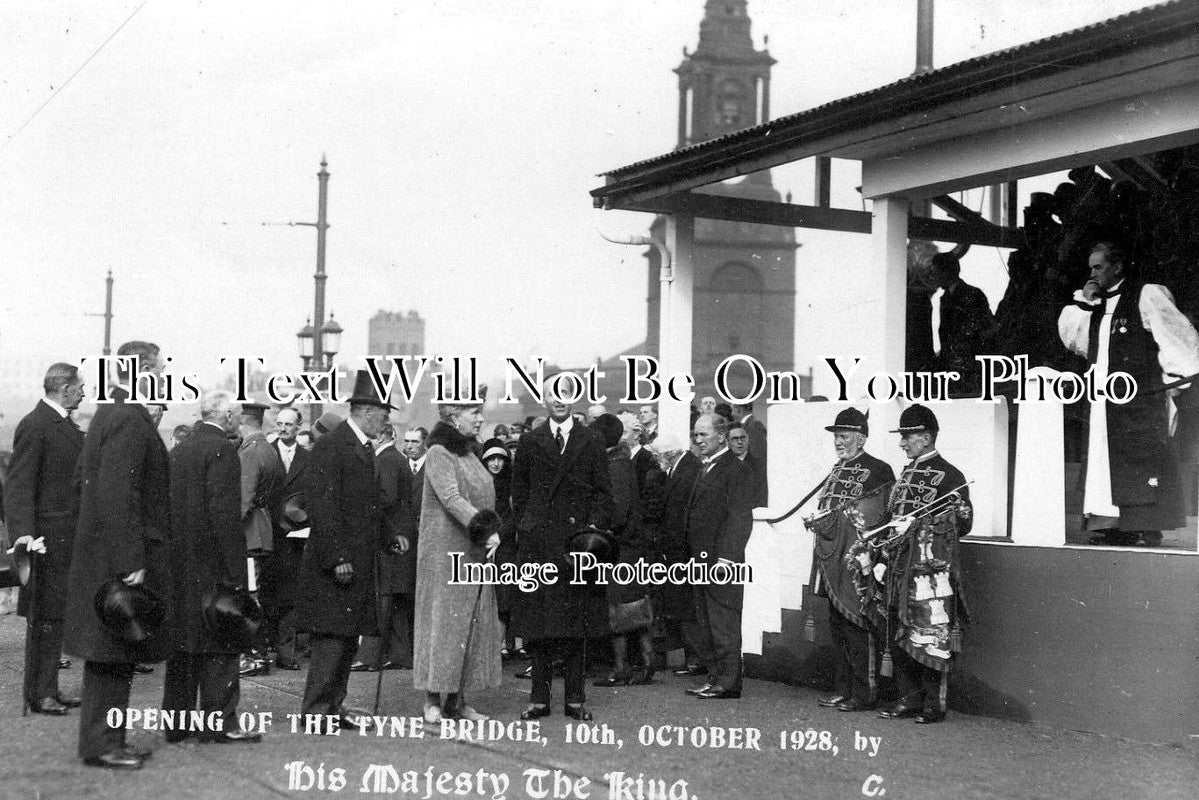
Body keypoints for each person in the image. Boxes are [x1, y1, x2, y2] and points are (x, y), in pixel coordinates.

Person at [63, 340, 172, 769]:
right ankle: (103, 745)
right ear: (140, 370)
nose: (164, 376)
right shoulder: (129, 419)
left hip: (101, 554)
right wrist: (131, 559)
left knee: (113, 652)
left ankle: (106, 740)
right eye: (159, 369)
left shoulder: (110, 414)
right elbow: (117, 494)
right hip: (118, 560)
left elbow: (81, 484)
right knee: (113, 651)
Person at [1057, 240, 1199, 546]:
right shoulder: (1095, 303)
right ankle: (1109, 524)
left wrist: (1174, 381)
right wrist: (1085, 302)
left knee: (1141, 461)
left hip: (1140, 397)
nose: (1092, 273)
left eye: (1099, 266)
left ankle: (1146, 526)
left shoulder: (1146, 294)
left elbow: (1176, 334)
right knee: (1102, 461)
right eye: (1090, 267)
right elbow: (1075, 341)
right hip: (1102, 399)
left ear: (1117, 266)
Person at [508, 380, 613, 721]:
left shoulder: (592, 440)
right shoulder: (530, 440)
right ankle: (539, 699)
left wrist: (591, 531)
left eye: (567, 395)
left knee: (575, 626)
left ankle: (575, 700)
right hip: (540, 544)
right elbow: (519, 492)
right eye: (554, 395)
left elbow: (602, 492)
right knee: (539, 626)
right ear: (545, 398)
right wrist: (529, 527)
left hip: (577, 546)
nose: (560, 401)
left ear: (574, 399)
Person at [295, 371, 392, 734]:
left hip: (355, 561)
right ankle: (316, 710)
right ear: (365, 410)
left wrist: (387, 537)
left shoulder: (360, 445)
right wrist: (338, 557)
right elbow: (324, 506)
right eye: (384, 411)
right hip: (337, 564)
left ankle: (333, 706)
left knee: (347, 636)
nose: (387, 418)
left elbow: (367, 506)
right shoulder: (332, 445)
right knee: (332, 637)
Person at [163, 390, 261, 744]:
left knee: (183, 644)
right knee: (221, 640)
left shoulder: (181, 448)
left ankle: (176, 723)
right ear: (228, 416)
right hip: (213, 565)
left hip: (180, 565)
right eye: (235, 414)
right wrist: (237, 573)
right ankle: (221, 723)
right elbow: (224, 515)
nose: (237, 419)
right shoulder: (222, 450)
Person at [876, 404, 971, 725]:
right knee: (900, 628)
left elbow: (962, 523)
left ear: (927, 437)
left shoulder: (951, 476)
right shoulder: (904, 476)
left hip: (930, 571)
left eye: (907, 437)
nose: (902, 443)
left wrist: (921, 525)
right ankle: (907, 698)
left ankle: (934, 702)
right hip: (899, 565)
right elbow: (891, 517)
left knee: (930, 633)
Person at [413, 390, 503, 723]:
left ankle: (458, 700)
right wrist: (485, 528)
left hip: (473, 552)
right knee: (443, 625)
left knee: (470, 625)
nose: (480, 418)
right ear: (454, 415)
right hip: (444, 554)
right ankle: (433, 699)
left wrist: (487, 533)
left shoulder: (469, 453)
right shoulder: (439, 452)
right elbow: (451, 498)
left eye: (481, 411)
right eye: (474, 412)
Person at [7, 363, 85, 716]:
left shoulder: (63, 424)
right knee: (45, 619)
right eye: (80, 387)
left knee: (56, 618)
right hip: (45, 541)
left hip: (65, 540)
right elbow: (19, 487)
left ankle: (48, 687)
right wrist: (23, 536)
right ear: (65, 388)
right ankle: (39, 694)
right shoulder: (36, 425)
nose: (84, 393)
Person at [807, 408, 894, 712]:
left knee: (857, 626)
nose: (838, 442)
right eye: (836, 437)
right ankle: (843, 689)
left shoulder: (878, 471)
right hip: (832, 559)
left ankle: (865, 692)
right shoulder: (835, 470)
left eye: (843, 437)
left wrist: (834, 520)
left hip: (858, 563)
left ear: (862, 438)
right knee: (837, 625)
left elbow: (875, 517)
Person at [684, 414, 753, 700]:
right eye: (696, 435)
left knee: (723, 622)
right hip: (700, 560)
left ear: (722, 436)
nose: (698, 440)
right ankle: (715, 678)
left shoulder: (735, 469)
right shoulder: (706, 467)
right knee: (707, 624)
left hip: (720, 562)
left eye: (704, 435)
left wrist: (727, 559)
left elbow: (739, 518)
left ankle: (728, 682)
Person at [590, 414, 653, 687]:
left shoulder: (613, 465)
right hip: (633, 545)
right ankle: (647, 664)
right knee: (636, 606)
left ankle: (621, 668)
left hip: (621, 546)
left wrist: (597, 526)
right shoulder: (622, 460)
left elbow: (618, 509)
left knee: (620, 608)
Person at [353, 422, 415, 672]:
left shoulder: (386, 460)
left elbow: (385, 498)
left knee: (382, 596)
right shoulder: (397, 459)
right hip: (400, 534)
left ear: (381, 436)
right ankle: (399, 654)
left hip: (388, 538)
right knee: (395, 600)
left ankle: (370, 656)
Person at [647, 434, 704, 677]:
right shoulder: (681, 467)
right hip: (676, 550)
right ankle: (692, 658)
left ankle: (695, 659)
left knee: (687, 607)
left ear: (669, 454)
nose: (657, 460)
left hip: (682, 551)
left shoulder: (687, 469)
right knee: (682, 605)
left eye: (659, 455)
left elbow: (681, 514)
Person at [237, 400, 284, 677]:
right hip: (263, 527)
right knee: (256, 593)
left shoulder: (251, 452)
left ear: (244, 421)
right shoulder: (267, 448)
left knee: (249, 595)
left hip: (249, 531)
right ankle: (258, 653)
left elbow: (244, 498)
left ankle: (254, 655)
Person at [263, 406, 310, 670]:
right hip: (270, 533)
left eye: (289, 424)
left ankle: (286, 652)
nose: (283, 428)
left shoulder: (307, 457)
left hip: (296, 537)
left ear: (298, 426)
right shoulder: (268, 452)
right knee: (268, 592)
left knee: (291, 596)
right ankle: (266, 648)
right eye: (279, 423)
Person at [932, 252, 995, 397]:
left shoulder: (973, 294)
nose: (934, 277)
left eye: (936, 272)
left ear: (946, 272)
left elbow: (985, 329)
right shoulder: (946, 298)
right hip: (952, 368)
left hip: (970, 369)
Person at [727, 422, 767, 508]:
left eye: (743, 438)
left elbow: (760, 498)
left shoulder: (759, 466)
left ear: (748, 439)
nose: (740, 442)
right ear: (727, 442)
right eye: (735, 439)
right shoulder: (722, 465)